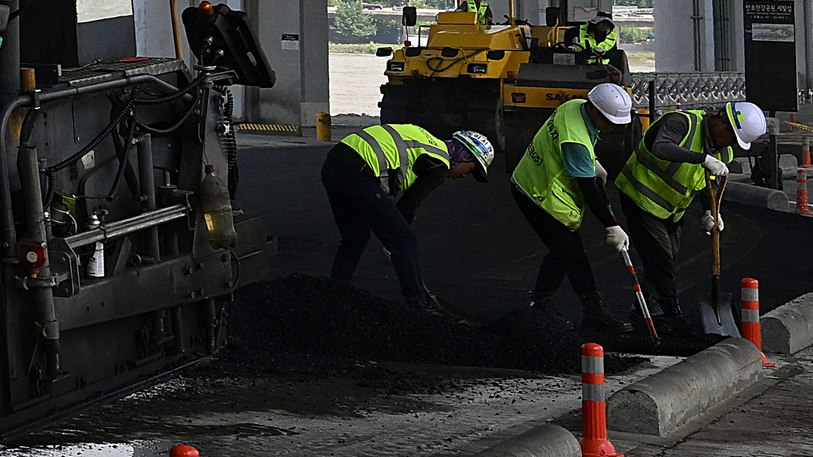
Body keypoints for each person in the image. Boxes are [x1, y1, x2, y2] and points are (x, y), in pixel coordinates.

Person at [607, 98, 766, 338]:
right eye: (732, 137)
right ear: (722, 122)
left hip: (671, 209)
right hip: (639, 195)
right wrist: (702, 158)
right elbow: (661, 147)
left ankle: (645, 308)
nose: (732, 143)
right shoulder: (681, 122)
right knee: (661, 259)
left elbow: (707, 183)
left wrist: (709, 211)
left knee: (667, 256)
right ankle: (672, 315)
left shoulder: (725, 150)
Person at [323, 121, 494, 315]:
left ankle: (335, 291)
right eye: (471, 170)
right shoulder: (440, 164)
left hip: (333, 164)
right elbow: (408, 205)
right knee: (405, 240)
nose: (465, 177)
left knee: (356, 238)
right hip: (358, 171)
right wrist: (396, 241)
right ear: (463, 156)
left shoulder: (426, 138)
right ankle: (418, 303)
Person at [508, 81, 637, 337]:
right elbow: (588, 189)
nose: (612, 128)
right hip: (539, 193)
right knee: (567, 250)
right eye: (610, 121)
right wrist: (611, 225)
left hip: (533, 180)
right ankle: (549, 304)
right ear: (594, 109)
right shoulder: (575, 141)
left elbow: (584, 151)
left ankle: (579, 309)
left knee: (568, 251)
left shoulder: (574, 106)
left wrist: (593, 161)